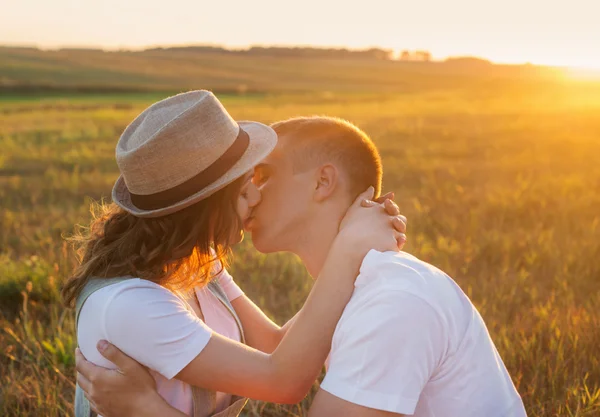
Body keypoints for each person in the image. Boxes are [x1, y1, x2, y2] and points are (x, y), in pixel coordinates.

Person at [77, 115, 528, 416]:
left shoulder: (394, 301)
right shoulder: (134, 301)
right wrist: (347, 251)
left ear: (323, 182)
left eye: (264, 174)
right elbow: (280, 363)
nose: (252, 192)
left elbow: (280, 359)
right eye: (244, 180)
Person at [65, 91, 407, 417]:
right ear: (203, 207)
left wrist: (351, 244)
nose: (257, 198)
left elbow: (275, 345)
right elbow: (282, 380)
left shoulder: (198, 261)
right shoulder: (129, 305)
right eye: (245, 190)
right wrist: (346, 251)